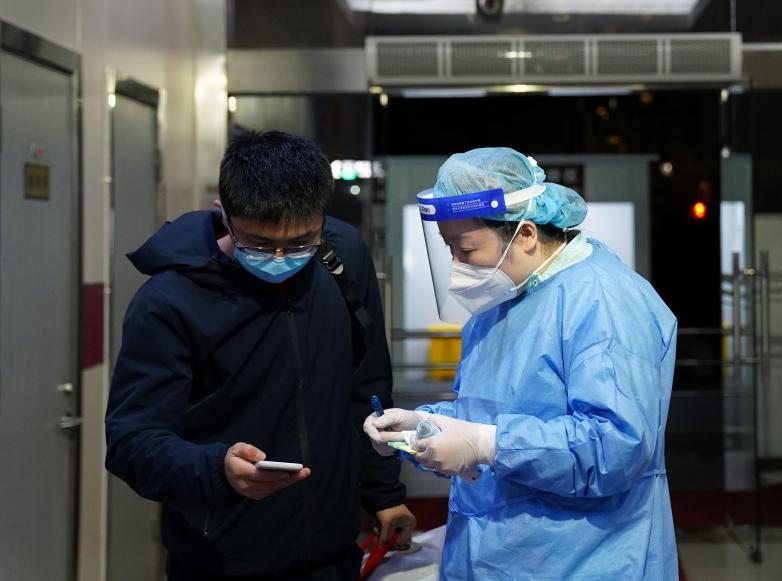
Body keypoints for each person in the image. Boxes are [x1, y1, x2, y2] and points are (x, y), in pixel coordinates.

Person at [106, 131, 414, 580]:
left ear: (323, 219)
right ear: (224, 215)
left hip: (334, 554)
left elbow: (366, 386)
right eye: (258, 243)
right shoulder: (170, 301)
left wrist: (384, 494)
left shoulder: (341, 257)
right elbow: (131, 442)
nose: (280, 258)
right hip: (220, 561)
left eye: (301, 242)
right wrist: (217, 470)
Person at [364, 148, 678, 580]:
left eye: (466, 248)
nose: (457, 265)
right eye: (448, 248)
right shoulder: (504, 298)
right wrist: (424, 426)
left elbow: (616, 447)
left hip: (583, 559)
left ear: (526, 233)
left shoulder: (602, 299)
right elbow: (493, 412)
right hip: (496, 555)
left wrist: (487, 444)